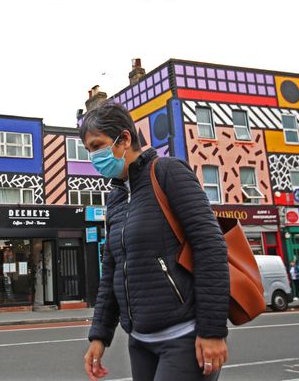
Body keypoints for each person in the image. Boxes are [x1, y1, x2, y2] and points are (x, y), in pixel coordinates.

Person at [81, 102, 230, 381]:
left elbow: (210, 246)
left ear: (124, 139)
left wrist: (212, 330)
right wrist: (99, 336)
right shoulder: (115, 198)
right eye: (89, 151)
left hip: (184, 336)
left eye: (97, 146)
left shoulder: (168, 172)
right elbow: (112, 270)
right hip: (140, 340)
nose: (94, 157)